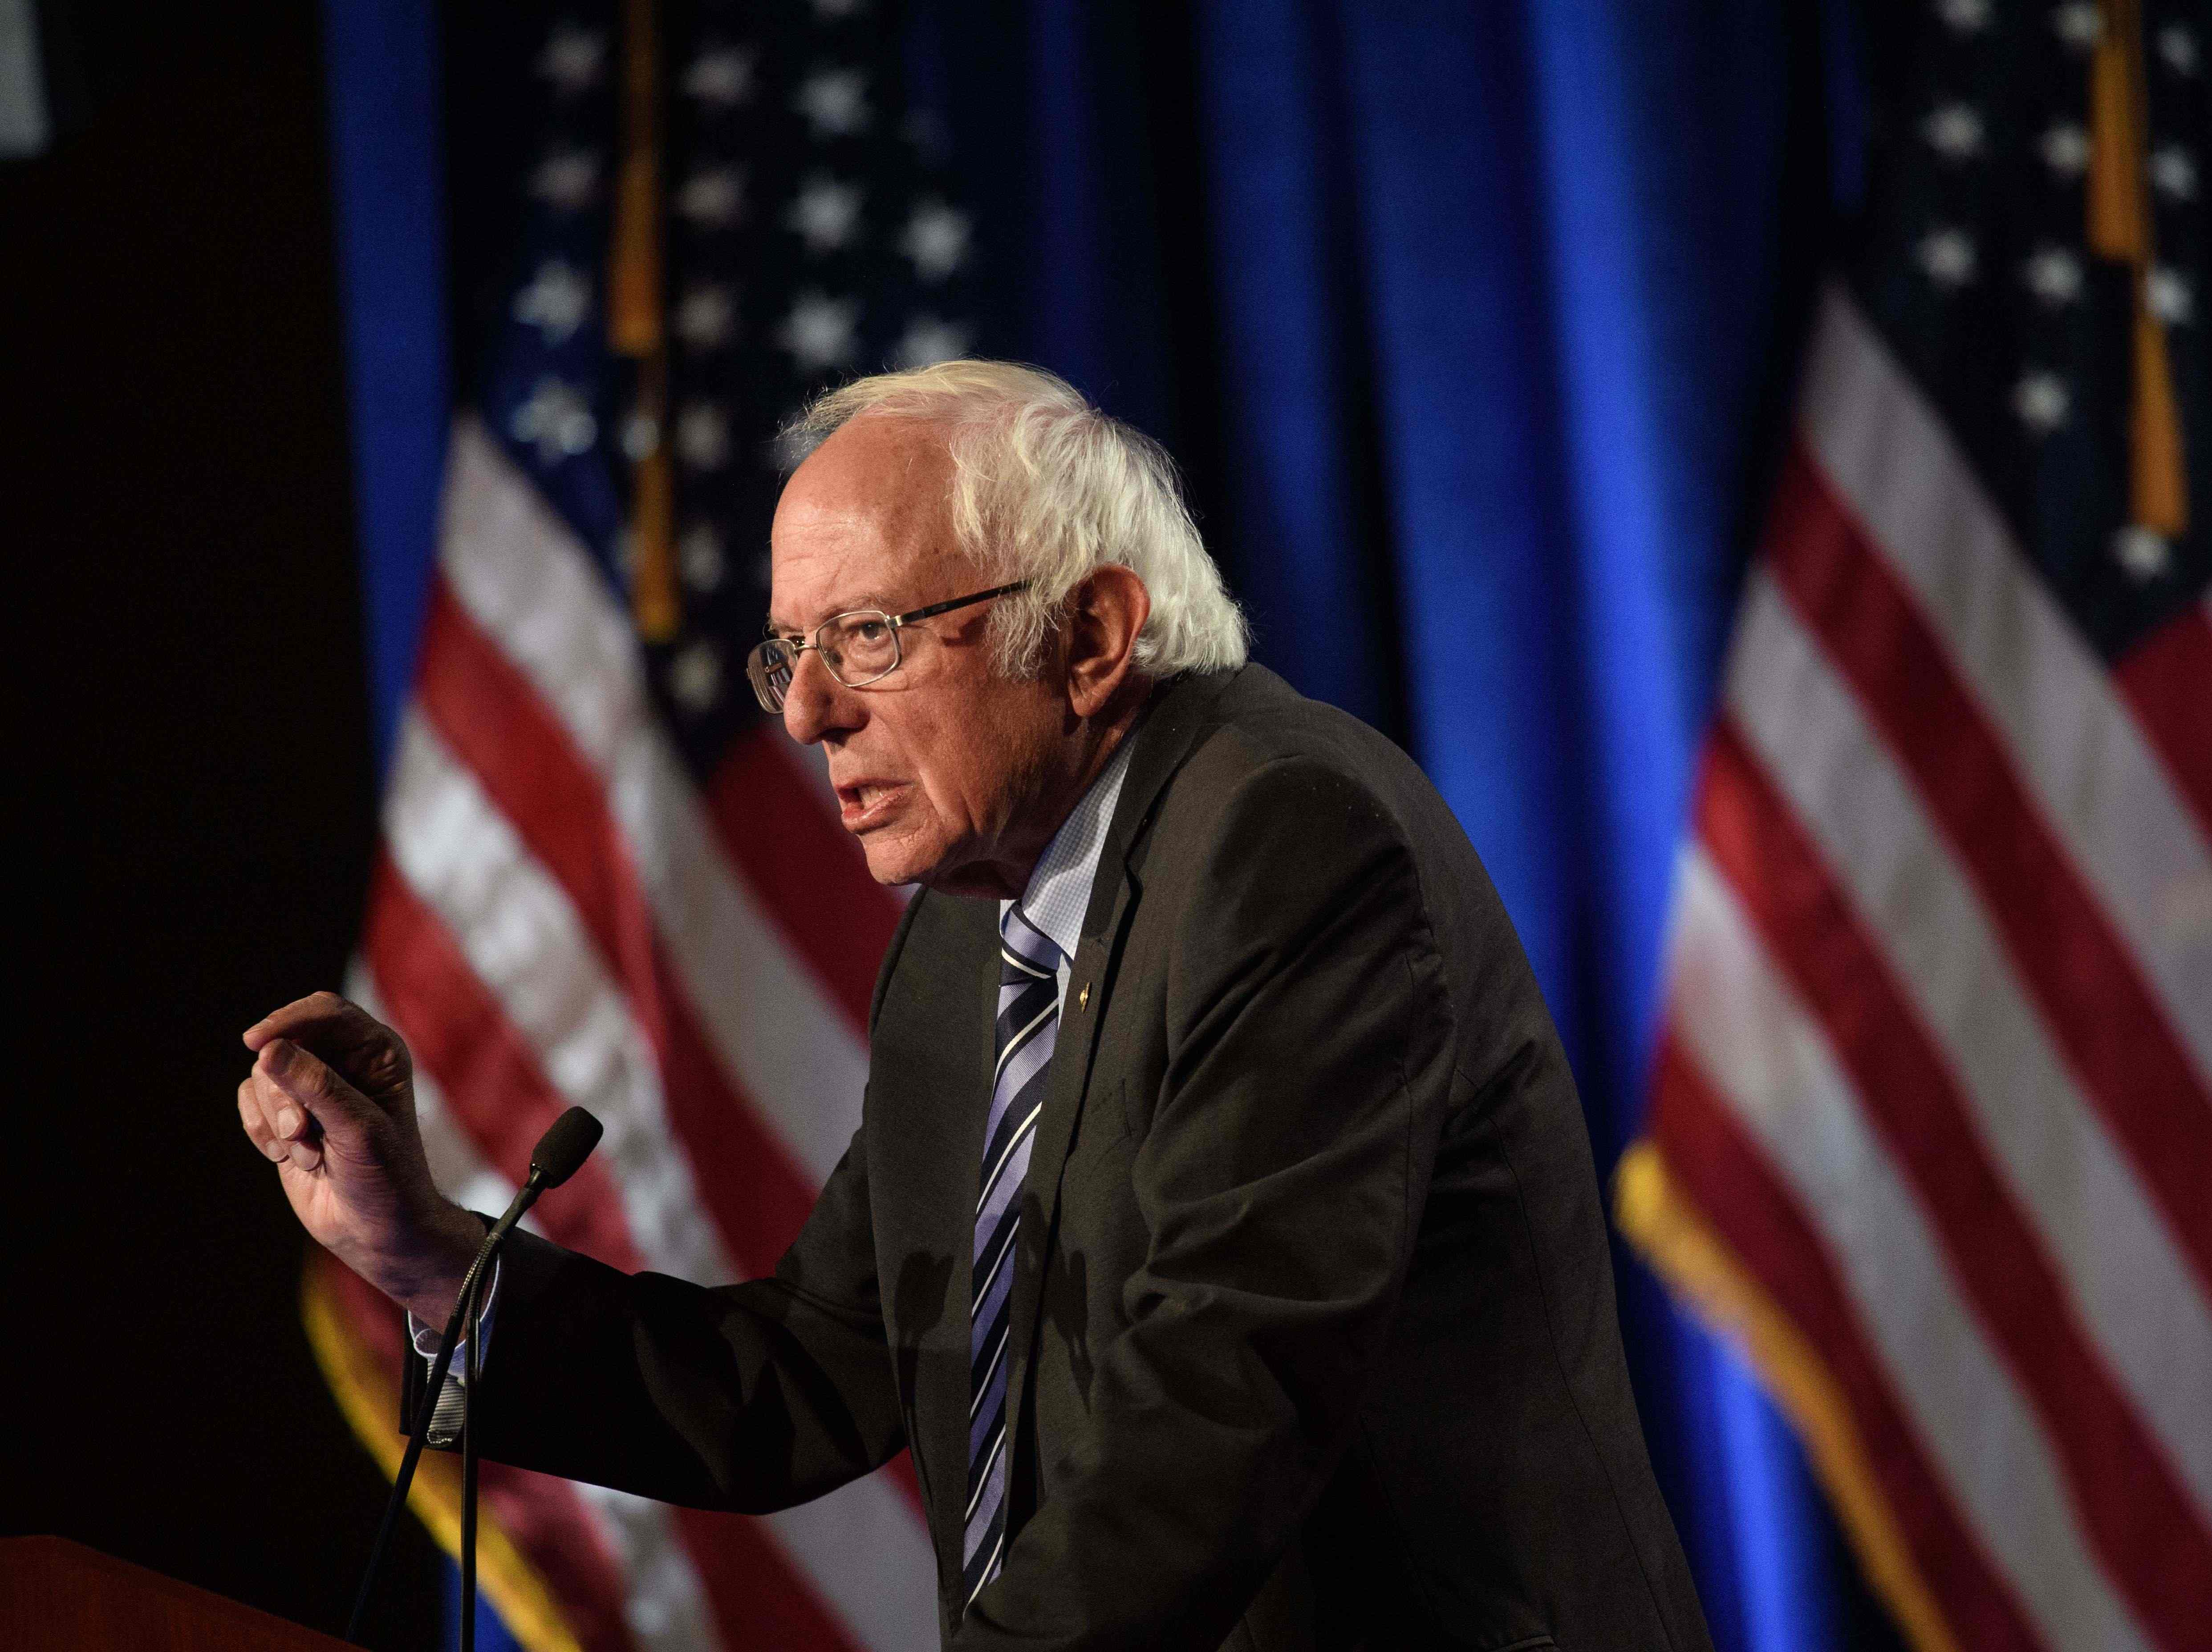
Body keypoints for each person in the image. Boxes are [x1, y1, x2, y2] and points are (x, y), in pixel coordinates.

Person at [238, 362, 1714, 1652]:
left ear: (1088, 638)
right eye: (790, 652)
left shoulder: (1291, 848)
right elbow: (812, 1367)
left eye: (869, 637)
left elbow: (1220, 1402)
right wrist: (424, 1252)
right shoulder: (968, 940)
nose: (809, 714)